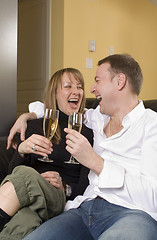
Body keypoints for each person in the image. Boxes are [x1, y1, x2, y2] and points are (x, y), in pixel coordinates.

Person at [21, 53, 157, 240]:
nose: (91, 89)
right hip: (84, 210)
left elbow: (153, 196)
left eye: (97, 81)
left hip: (132, 214)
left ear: (119, 81)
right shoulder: (96, 117)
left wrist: (96, 162)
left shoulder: (152, 125)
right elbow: (57, 109)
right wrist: (26, 117)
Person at [0, 68, 93, 239]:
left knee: (26, 174)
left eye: (80, 87)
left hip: (57, 198)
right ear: (54, 93)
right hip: (29, 199)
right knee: (22, 223)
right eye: (68, 86)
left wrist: (65, 187)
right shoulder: (34, 126)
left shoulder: (87, 134)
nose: (76, 92)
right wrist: (21, 151)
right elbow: (10, 176)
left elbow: (86, 186)